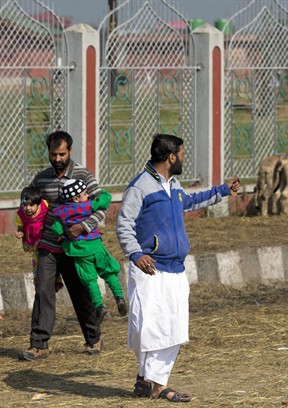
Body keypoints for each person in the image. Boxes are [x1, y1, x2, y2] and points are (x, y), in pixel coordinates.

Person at [116, 133, 239, 402]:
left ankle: (148, 382)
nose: (184, 158)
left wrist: (222, 190)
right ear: (171, 157)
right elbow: (124, 224)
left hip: (176, 269)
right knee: (149, 329)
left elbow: (190, 202)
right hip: (150, 269)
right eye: (182, 154)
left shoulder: (173, 185)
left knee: (172, 329)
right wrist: (136, 254)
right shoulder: (140, 188)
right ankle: (156, 384)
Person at [19, 131, 104, 361]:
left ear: (70, 152)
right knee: (43, 291)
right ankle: (39, 344)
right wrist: (26, 228)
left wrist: (82, 227)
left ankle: (94, 338)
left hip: (76, 246)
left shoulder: (84, 175)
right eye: (53, 154)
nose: (57, 159)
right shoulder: (41, 179)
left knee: (80, 292)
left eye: (62, 154)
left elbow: (101, 206)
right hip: (47, 246)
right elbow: (30, 204)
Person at [51, 179, 127, 322]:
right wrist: (99, 192)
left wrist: (62, 235)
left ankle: (99, 306)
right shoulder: (87, 206)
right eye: (85, 194)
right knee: (109, 272)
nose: (87, 196)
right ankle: (119, 297)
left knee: (90, 279)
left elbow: (55, 227)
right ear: (76, 198)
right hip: (96, 246)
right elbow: (105, 199)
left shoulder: (61, 211)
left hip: (78, 251)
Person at [14, 186, 63, 292]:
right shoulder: (20, 215)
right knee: (37, 261)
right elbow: (21, 228)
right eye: (25, 205)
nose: (28, 208)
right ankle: (38, 279)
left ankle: (56, 279)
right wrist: (20, 233)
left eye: (31, 205)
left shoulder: (45, 205)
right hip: (35, 243)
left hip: (48, 239)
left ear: (38, 203)